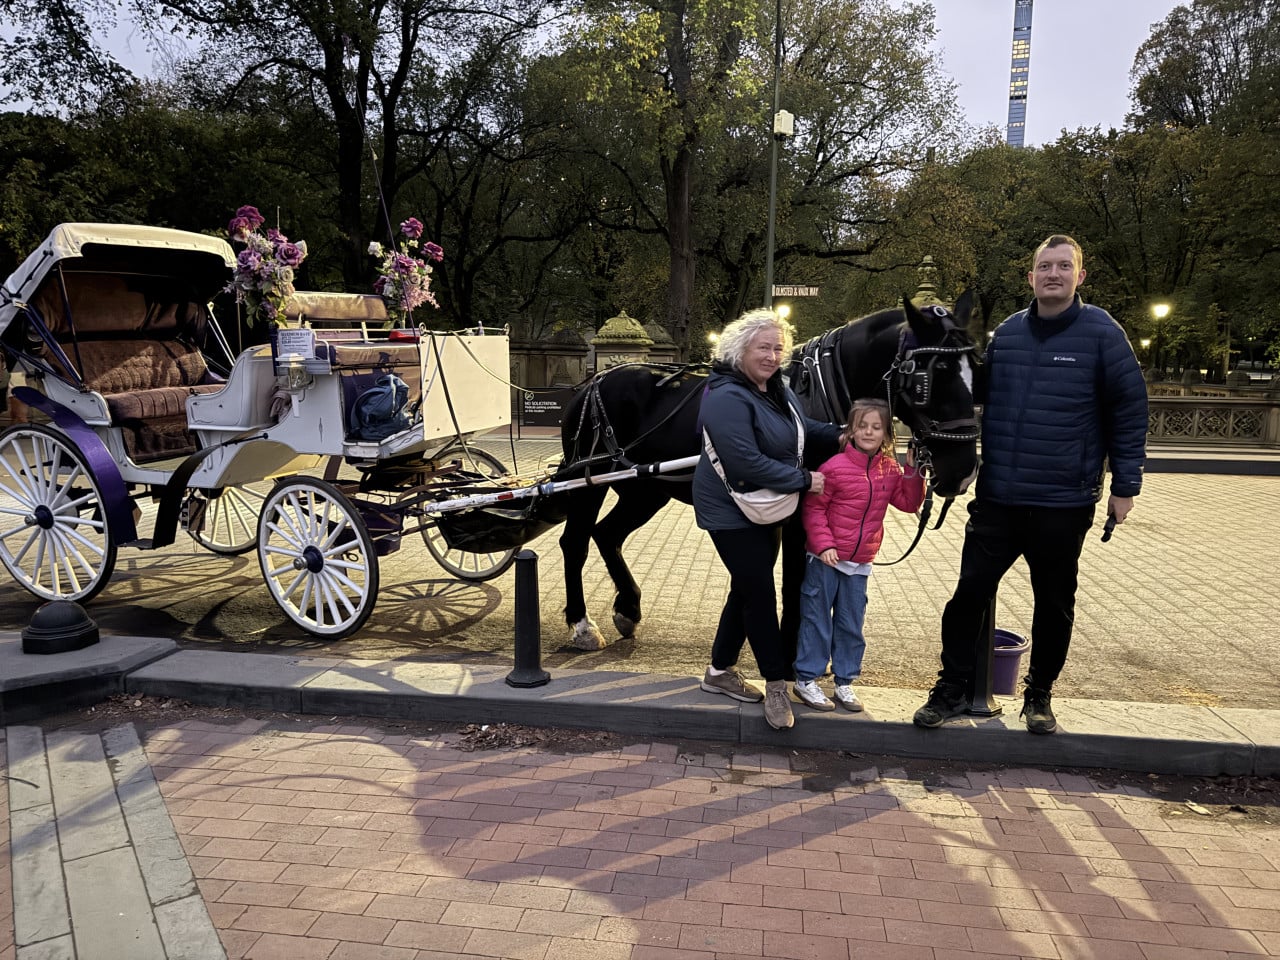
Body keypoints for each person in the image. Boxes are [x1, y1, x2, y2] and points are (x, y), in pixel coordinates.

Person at [913, 234, 1148, 734]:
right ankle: (951, 689)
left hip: (1064, 501)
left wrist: (1125, 485)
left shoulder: (1102, 332)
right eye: (1045, 267)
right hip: (998, 497)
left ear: (1079, 276)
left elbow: (1130, 409)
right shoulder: (1008, 334)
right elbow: (969, 398)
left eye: (1064, 267)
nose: (1054, 275)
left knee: (1054, 603)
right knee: (967, 596)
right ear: (1032, 277)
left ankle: (1039, 695)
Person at [694, 308, 840, 730]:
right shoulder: (725, 396)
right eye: (764, 347)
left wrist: (845, 433)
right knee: (759, 594)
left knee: (745, 587)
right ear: (740, 350)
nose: (773, 355)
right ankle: (776, 683)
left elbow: (804, 428)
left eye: (779, 347)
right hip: (730, 507)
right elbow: (745, 464)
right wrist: (804, 480)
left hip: (766, 504)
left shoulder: (777, 389)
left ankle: (719, 673)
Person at [792, 398, 925, 713]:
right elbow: (814, 508)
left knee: (852, 623)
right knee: (817, 619)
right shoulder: (833, 467)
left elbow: (908, 503)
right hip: (826, 560)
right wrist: (823, 545)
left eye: (876, 427)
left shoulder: (890, 470)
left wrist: (914, 471)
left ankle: (844, 681)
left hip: (860, 562)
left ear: (886, 433)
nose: (868, 432)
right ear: (850, 431)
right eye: (862, 426)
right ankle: (806, 679)